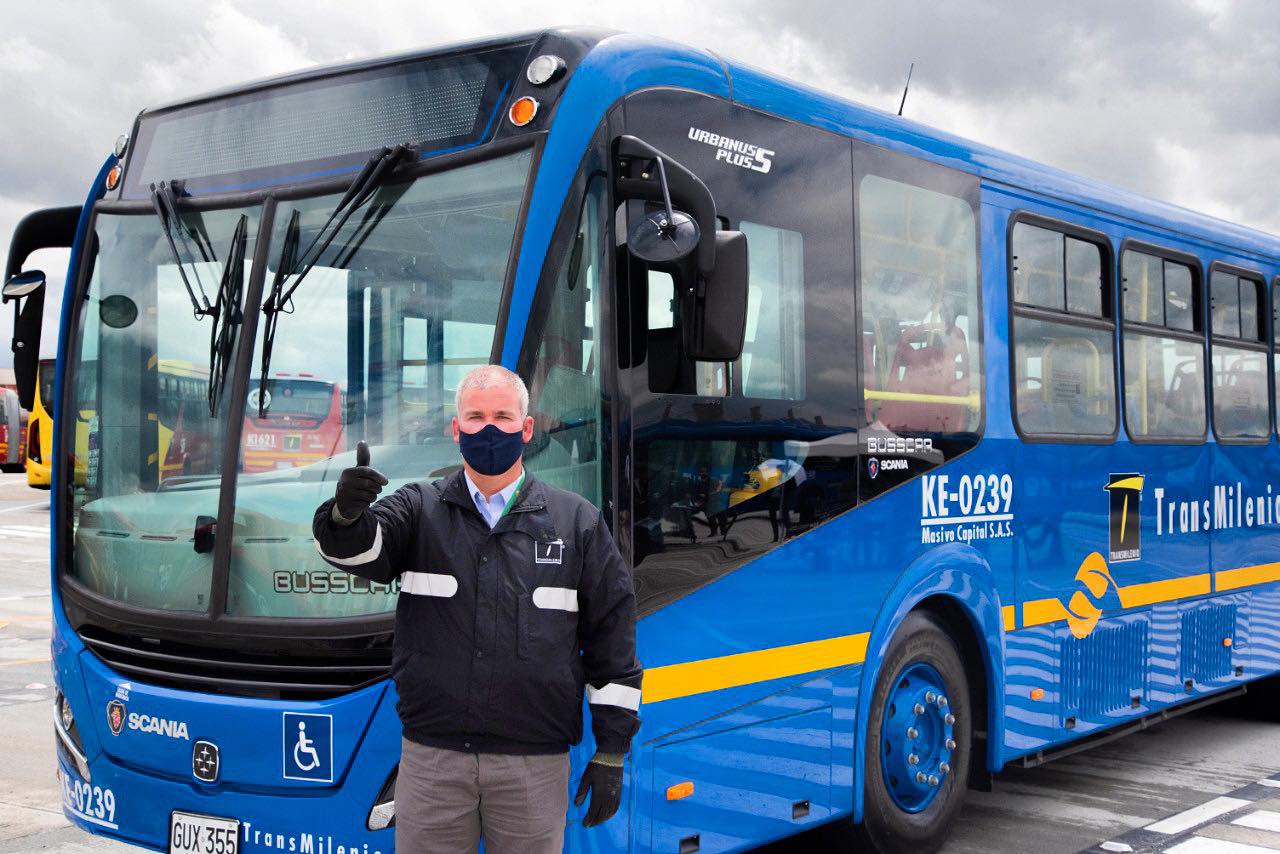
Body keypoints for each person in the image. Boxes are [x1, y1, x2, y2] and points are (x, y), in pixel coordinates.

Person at [312, 365, 641, 854]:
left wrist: (612, 751)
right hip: (433, 764)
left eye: (504, 417)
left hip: (532, 768)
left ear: (527, 430)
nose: (489, 429)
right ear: (456, 429)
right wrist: (345, 516)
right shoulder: (418, 508)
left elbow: (613, 639)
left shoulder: (576, 522)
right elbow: (360, 551)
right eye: (476, 416)